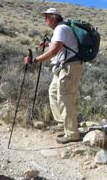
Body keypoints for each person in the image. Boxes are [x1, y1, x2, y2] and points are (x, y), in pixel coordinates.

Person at [24, 8, 84, 144]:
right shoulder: (60, 29)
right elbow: (59, 46)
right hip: (63, 67)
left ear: (54, 17)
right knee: (53, 92)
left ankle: (72, 133)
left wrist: (35, 60)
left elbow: (54, 51)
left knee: (66, 98)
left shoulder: (61, 29)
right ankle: (64, 123)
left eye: (46, 16)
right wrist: (47, 44)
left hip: (69, 67)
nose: (45, 19)